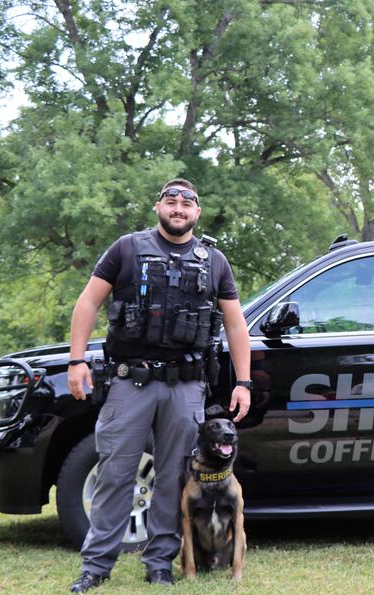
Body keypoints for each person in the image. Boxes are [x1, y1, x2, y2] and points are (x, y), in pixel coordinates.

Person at [65, 178, 252, 592]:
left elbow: (236, 324)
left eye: (188, 202)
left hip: (186, 386)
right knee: (116, 472)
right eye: (171, 200)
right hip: (130, 382)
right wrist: (77, 361)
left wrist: (244, 381)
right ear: (159, 207)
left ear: (197, 212)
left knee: (171, 477)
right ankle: (96, 566)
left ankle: (160, 564)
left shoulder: (214, 260)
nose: (179, 207)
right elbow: (88, 302)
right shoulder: (127, 249)